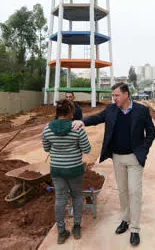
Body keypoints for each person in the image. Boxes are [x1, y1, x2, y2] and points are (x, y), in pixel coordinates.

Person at [73, 82, 155, 246]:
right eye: (113, 95)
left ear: (126, 94)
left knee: (135, 192)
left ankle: (135, 229)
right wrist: (83, 121)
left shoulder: (141, 110)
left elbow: (151, 132)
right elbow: (97, 118)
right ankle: (125, 220)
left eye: (116, 95)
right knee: (123, 191)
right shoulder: (111, 109)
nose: (114, 98)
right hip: (117, 158)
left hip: (134, 159)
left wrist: (144, 150)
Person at [42, 99, 91, 244]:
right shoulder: (77, 128)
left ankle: (61, 232)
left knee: (60, 199)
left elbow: (46, 148)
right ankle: (76, 227)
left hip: (57, 170)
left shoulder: (47, 128)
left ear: (57, 112)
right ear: (71, 112)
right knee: (76, 196)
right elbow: (87, 149)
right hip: (75, 169)